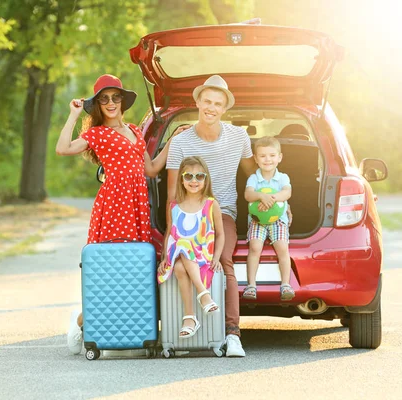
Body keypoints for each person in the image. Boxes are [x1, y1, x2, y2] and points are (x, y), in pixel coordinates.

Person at [55, 74, 179, 355]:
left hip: (137, 205)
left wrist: (172, 141)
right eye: (104, 99)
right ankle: (82, 323)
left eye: (115, 97)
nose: (111, 103)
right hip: (114, 204)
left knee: (133, 269)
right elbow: (62, 148)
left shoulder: (135, 130)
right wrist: (73, 115)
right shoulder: (96, 134)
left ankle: (130, 329)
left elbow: (150, 169)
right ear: (98, 105)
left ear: (123, 101)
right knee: (108, 269)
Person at [165, 75, 257, 357]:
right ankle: (185, 322)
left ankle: (232, 334)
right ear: (198, 102)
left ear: (225, 108)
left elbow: (254, 175)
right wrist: (171, 233)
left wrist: (277, 198)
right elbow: (171, 196)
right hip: (186, 215)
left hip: (222, 213)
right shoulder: (180, 142)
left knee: (223, 261)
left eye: (218, 103)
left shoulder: (239, 137)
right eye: (207, 101)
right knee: (180, 259)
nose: (211, 107)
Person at [157, 156, 224, 338]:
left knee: (182, 259)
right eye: (188, 176)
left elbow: (220, 234)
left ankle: (191, 314)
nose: (194, 181)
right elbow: (170, 233)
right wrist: (164, 257)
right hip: (179, 252)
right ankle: (200, 301)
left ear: (205, 179)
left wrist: (217, 258)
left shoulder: (211, 204)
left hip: (203, 253)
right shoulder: (174, 206)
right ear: (181, 179)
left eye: (199, 176)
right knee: (180, 258)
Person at [242, 137, 294, 301]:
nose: (268, 160)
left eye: (272, 155)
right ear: (256, 159)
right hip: (257, 220)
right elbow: (248, 195)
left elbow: (287, 193)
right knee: (255, 247)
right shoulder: (253, 178)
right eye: (263, 156)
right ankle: (251, 286)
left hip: (278, 220)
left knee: (282, 247)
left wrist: (271, 198)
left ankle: (286, 284)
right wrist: (260, 196)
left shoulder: (283, 177)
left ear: (280, 157)